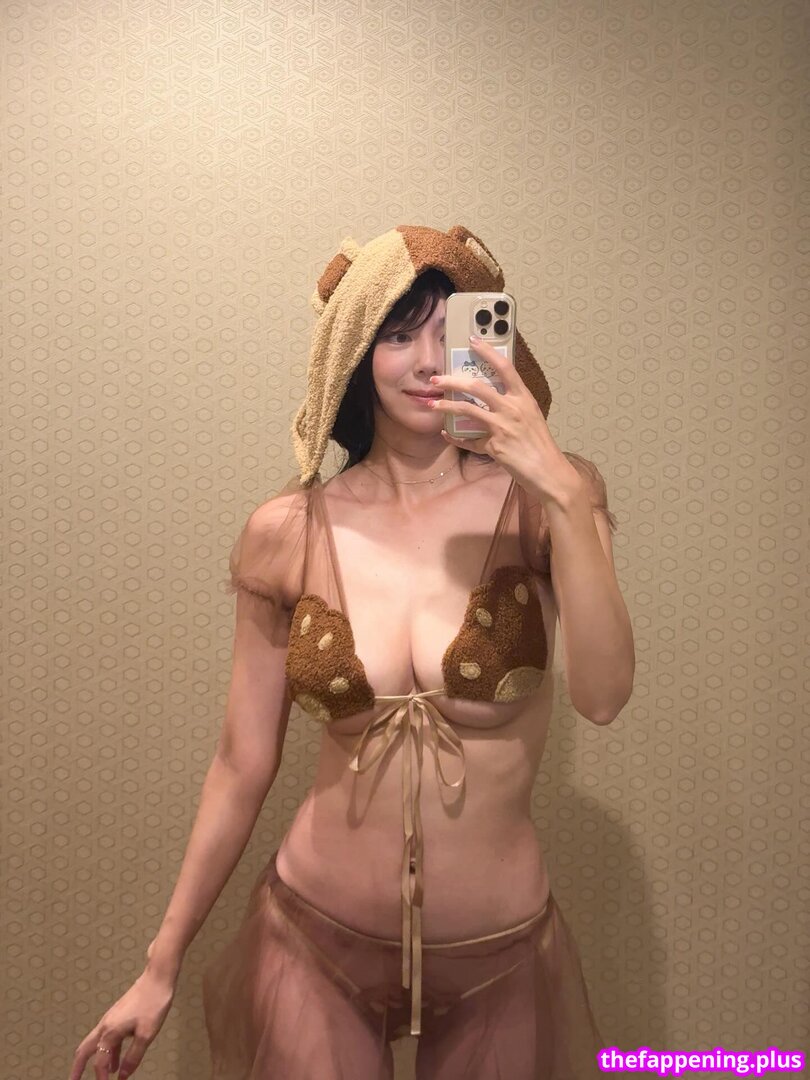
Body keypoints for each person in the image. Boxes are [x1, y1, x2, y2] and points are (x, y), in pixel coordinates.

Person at [69, 225, 634, 1080]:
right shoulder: (288, 531)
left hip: (500, 954)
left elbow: (604, 694)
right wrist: (161, 962)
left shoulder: (543, 505)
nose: (427, 361)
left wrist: (555, 480)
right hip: (314, 939)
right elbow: (241, 762)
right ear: (357, 356)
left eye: (448, 332)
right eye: (398, 335)